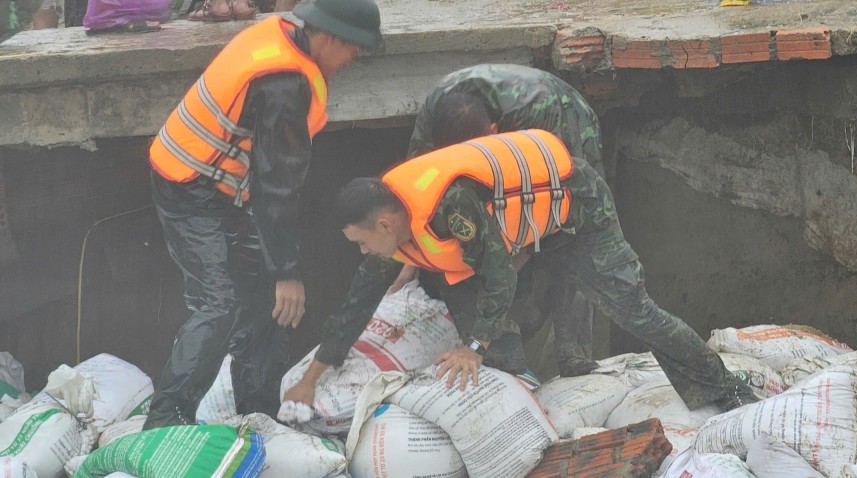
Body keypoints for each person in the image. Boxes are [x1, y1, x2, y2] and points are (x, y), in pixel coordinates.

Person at [284, 129, 758, 410]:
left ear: (384, 223)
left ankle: (721, 386)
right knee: (467, 303)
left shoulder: (451, 207)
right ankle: (521, 383)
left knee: (634, 312)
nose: (364, 253)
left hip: (576, 211)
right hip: (522, 231)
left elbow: (501, 276)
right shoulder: (392, 240)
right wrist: (311, 379)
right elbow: (354, 310)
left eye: (363, 242)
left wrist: (472, 347)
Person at [142, 0, 383, 430]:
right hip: (188, 186)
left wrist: (276, 271)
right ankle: (164, 420)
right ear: (328, 37)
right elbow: (276, 187)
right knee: (217, 303)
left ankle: (257, 411)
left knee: (260, 299)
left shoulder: (283, 35)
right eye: (354, 49)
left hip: (222, 185)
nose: (355, 60)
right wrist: (287, 272)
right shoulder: (285, 83)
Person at [396, 64, 603, 377]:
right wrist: (407, 269)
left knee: (579, 234)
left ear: (493, 133)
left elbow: (549, 220)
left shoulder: (550, 124)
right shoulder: (432, 125)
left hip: (559, 134)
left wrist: (506, 263)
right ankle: (504, 362)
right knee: (458, 253)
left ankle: (574, 356)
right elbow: (418, 205)